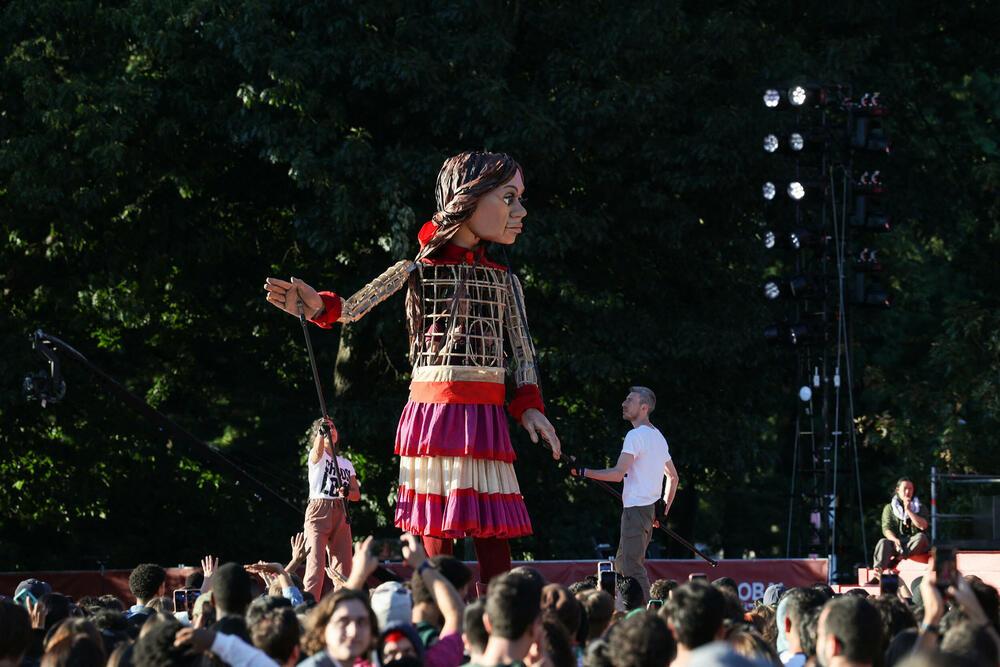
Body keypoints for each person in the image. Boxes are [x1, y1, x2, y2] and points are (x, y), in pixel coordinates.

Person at [264, 151, 561, 585]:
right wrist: (319, 307)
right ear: (468, 199)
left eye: (520, 199)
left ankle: (501, 614)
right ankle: (437, 617)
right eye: (510, 198)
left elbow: (524, 354)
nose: (521, 211)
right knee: (436, 526)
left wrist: (530, 405)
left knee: (494, 524)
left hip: (485, 414)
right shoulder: (415, 270)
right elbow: (354, 307)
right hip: (434, 414)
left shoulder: (506, 281)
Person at [570, 387, 678, 599]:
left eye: (630, 400)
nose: (624, 403)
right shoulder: (658, 436)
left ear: (644, 407)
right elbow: (673, 477)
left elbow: (618, 474)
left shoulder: (635, 435)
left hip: (637, 511)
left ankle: (650, 614)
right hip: (646, 511)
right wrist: (662, 510)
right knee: (621, 566)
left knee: (630, 569)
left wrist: (584, 472)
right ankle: (622, 611)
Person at [303, 417, 361, 601]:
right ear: (317, 435)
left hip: (341, 510)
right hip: (319, 510)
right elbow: (317, 452)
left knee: (344, 568)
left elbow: (356, 494)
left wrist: (347, 493)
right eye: (326, 428)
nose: (331, 430)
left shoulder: (346, 463)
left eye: (333, 427)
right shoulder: (317, 455)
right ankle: (308, 608)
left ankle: (342, 606)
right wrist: (322, 432)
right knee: (315, 566)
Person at [872, 477, 930, 576]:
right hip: (897, 543)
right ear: (898, 489)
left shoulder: (920, 507)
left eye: (910, 488)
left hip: (912, 544)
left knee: (922, 538)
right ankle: (878, 571)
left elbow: (923, 526)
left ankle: (898, 559)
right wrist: (894, 540)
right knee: (883, 542)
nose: (908, 491)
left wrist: (909, 510)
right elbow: (887, 528)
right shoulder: (889, 508)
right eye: (905, 489)